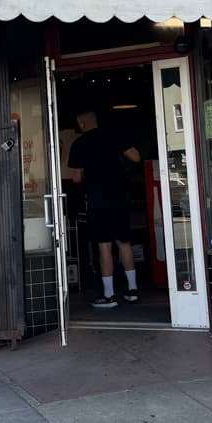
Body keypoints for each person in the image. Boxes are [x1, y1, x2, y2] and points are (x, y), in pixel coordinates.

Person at [67, 109, 141, 309]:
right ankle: (132, 290)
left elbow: (76, 177)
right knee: (124, 242)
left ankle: (109, 296)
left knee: (104, 246)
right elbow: (136, 156)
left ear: (81, 124)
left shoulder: (79, 144)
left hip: (97, 200)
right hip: (118, 197)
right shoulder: (113, 135)